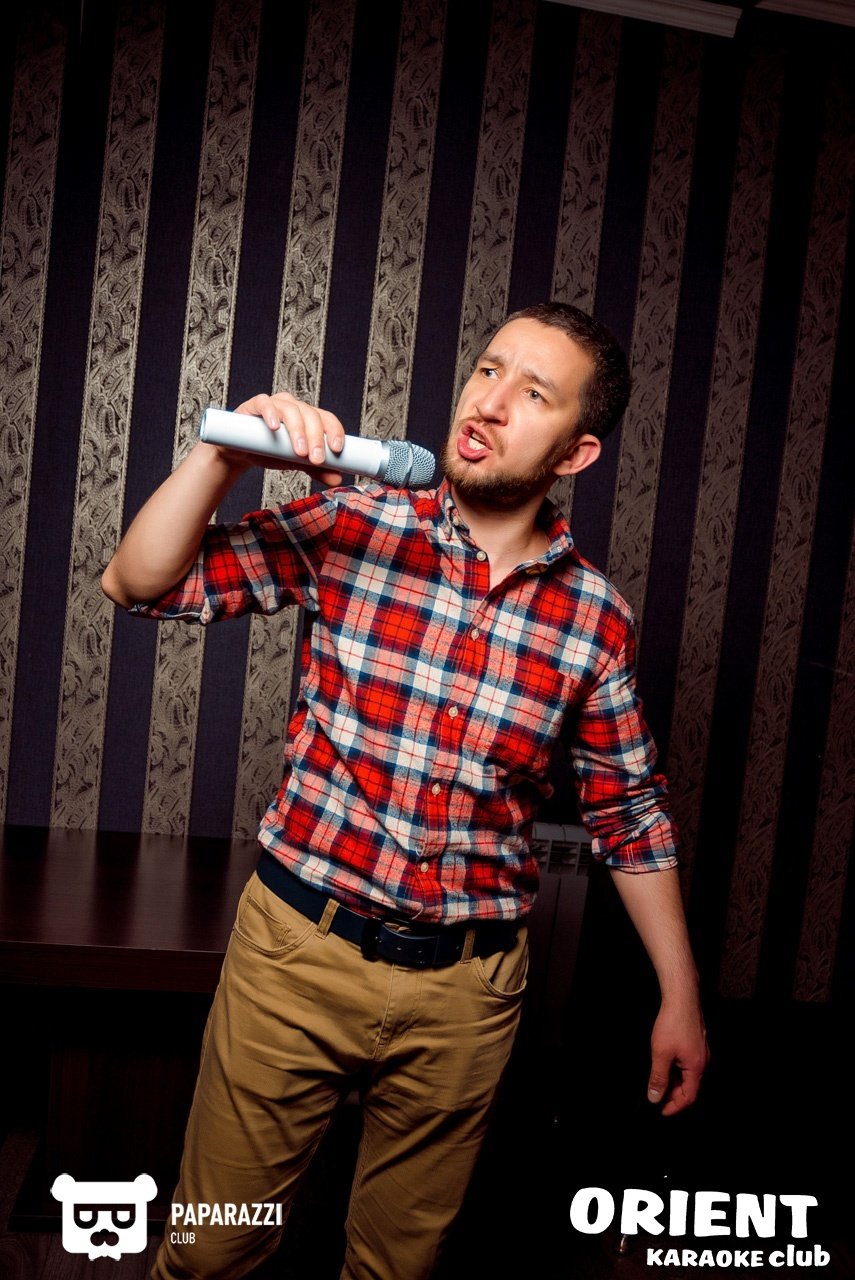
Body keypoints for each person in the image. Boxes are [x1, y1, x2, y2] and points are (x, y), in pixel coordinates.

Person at [101, 302, 709, 1280]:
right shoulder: (353, 520)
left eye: (532, 392)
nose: (489, 403)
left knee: (398, 1266)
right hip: (297, 956)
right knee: (211, 1250)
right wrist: (225, 455)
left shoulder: (595, 618)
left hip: (468, 993)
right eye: (487, 370)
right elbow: (139, 582)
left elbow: (629, 815)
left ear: (577, 453)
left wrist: (679, 997)